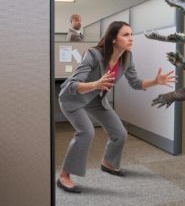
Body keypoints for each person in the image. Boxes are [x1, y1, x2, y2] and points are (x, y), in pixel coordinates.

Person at [57, 21, 175, 193]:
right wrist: (96, 84)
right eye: (125, 35)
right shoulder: (93, 54)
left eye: (131, 34)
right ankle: (64, 176)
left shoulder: (126, 57)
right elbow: (72, 85)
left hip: (96, 99)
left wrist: (155, 81)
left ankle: (109, 163)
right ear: (113, 38)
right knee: (86, 132)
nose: (131, 38)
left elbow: (135, 83)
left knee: (119, 133)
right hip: (73, 99)